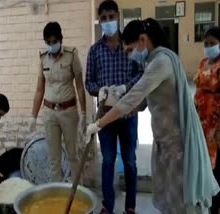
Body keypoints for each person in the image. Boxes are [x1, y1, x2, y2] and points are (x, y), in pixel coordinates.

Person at [86, 18, 219, 214]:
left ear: (142, 40)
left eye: (129, 50)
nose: (130, 56)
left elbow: (131, 100)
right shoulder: (153, 62)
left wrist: (98, 124)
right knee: (169, 199)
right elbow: (141, 104)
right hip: (165, 145)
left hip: (177, 148)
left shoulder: (161, 62)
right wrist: (112, 98)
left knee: (182, 203)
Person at [85, 1, 143, 214]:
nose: (108, 22)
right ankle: (107, 206)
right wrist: (99, 90)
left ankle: (130, 207)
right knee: (108, 161)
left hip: (128, 114)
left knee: (130, 161)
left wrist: (125, 88)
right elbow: (88, 82)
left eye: (111, 17)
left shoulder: (130, 45)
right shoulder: (95, 51)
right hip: (105, 116)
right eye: (104, 18)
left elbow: (141, 75)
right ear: (99, 21)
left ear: (118, 16)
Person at [29, 21, 87, 182]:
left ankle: (77, 192)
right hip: (49, 112)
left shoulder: (72, 54)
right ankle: (57, 196)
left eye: (54, 41)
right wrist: (33, 116)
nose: (51, 45)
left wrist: (83, 113)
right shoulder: (43, 58)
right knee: (54, 158)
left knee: (73, 155)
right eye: (48, 42)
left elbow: (80, 87)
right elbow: (39, 89)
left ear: (60, 39)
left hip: (69, 111)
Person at [194, 27, 220, 214]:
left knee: (217, 171)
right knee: (205, 168)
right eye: (206, 43)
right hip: (201, 125)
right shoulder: (203, 62)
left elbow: (209, 83)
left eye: (213, 43)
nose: (209, 47)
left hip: (216, 128)